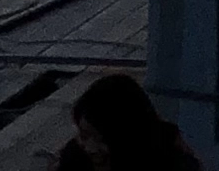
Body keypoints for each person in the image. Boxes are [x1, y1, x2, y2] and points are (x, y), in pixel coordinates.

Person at [57, 73, 204, 171]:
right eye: (84, 135)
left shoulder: (173, 163)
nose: (90, 148)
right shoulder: (75, 160)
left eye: (101, 139)